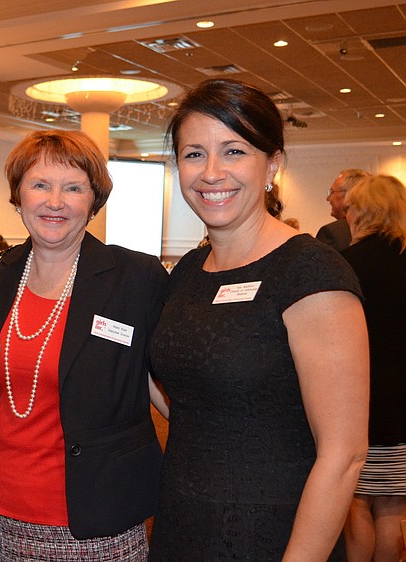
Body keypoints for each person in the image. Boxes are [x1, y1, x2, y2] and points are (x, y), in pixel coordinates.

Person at [149, 78, 369, 561]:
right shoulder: (190, 270)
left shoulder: (310, 271)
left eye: (233, 151)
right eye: (193, 154)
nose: (211, 173)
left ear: (272, 164)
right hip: (183, 523)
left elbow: (345, 455)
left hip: (273, 533)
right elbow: (193, 400)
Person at [0, 130, 167, 561]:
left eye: (73, 188)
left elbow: (163, 379)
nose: (55, 202)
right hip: (5, 506)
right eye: (40, 185)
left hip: (100, 511)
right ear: (18, 195)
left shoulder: (135, 278)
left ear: (94, 200)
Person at [340, 174, 406, 562]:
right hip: (402, 407)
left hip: (359, 400)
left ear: (361, 212)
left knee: (356, 506)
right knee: (393, 509)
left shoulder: (344, 266)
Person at [316, 169, 371, 251]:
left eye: (332, 192)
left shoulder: (331, 233)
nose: (328, 198)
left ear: (349, 194)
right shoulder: (385, 229)